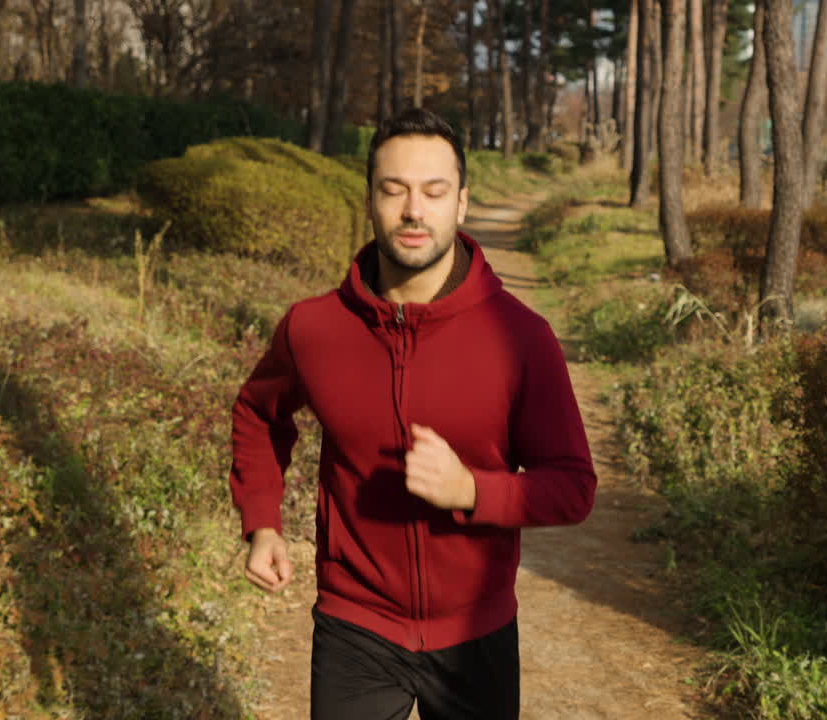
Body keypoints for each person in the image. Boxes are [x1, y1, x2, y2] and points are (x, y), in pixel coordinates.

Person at [228, 107, 597, 720]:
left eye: (433, 191)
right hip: (355, 625)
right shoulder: (314, 328)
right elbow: (258, 414)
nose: (413, 211)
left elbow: (573, 488)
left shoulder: (521, 336)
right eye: (393, 190)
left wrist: (472, 490)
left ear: (461, 203)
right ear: (370, 199)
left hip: (476, 630)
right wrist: (262, 521)